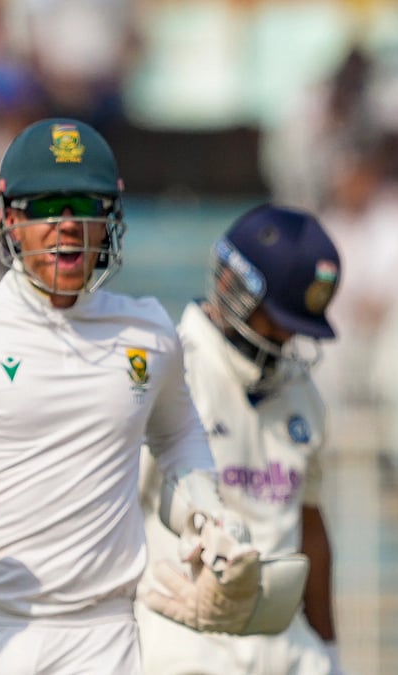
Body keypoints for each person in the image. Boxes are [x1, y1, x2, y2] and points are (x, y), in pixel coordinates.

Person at [0, 118, 256, 674]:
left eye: (86, 203)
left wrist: (207, 508)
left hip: (101, 635)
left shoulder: (149, 332)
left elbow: (179, 436)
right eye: (46, 206)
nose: (68, 225)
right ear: (8, 216)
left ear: (111, 215)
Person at [135, 203, 345, 674]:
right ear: (236, 290)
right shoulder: (168, 371)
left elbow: (309, 526)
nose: (288, 339)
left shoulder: (302, 395)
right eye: (280, 322)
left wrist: (328, 646)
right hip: (185, 638)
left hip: (286, 644)